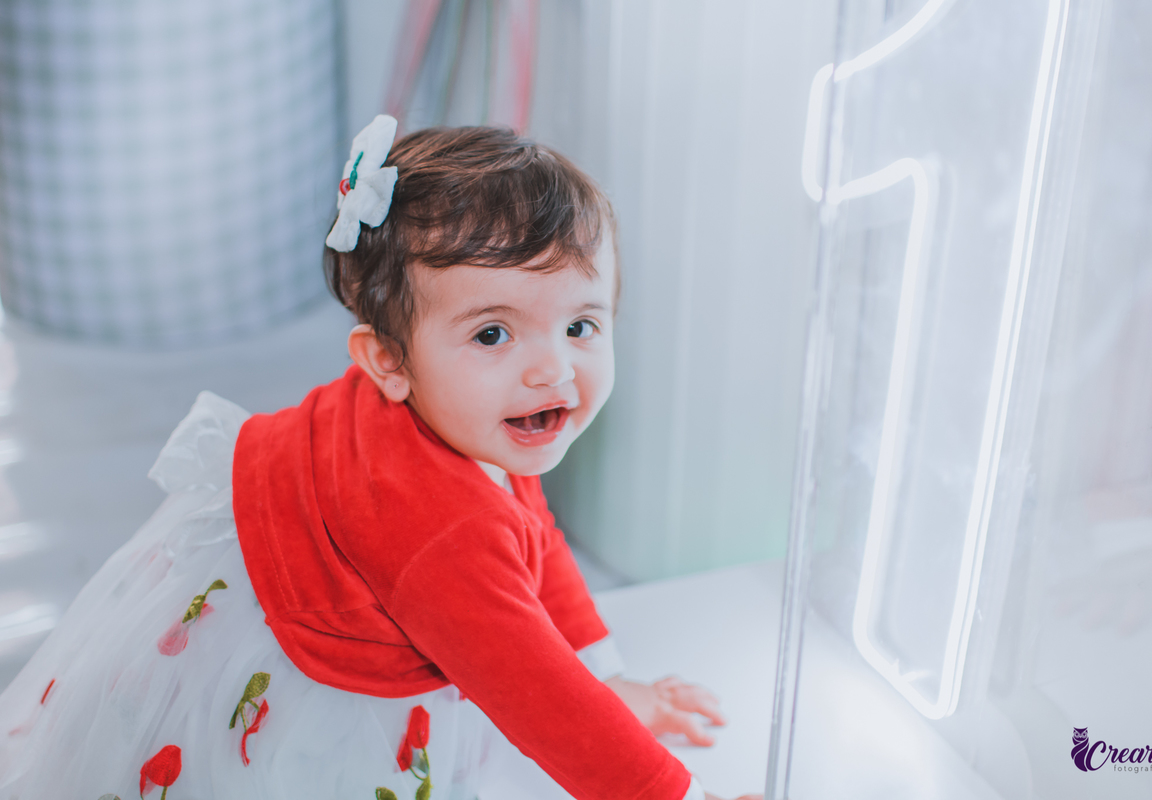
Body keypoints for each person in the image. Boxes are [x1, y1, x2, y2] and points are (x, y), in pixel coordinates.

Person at [0, 117, 761, 800]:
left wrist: (609, 673)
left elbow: (534, 541)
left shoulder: (464, 418)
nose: (553, 370)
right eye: (493, 334)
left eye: (581, 326)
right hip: (299, 657)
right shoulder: (441, 531)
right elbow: (540, 696)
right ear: (387, 361)